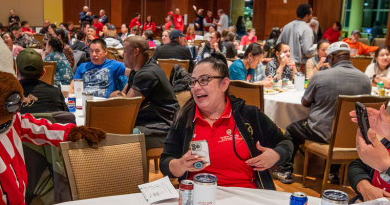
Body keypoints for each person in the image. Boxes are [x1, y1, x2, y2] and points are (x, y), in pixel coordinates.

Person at [161, 56, 293, 189]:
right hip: (198, 196)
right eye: (193, 81)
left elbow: (286, 143)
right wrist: (180, 165)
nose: (195, 87)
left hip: (245, 196)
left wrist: (276, 155)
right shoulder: (185, 119)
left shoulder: (248, 115)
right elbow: (165, 162)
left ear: (224, 84)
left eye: (204, 80)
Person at [286, 41, 370, 149]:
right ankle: (334, 166)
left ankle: (286, 166)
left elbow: (305, 103)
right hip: (351, 134)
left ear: (330, 57)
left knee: (291, 130)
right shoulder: (366, 80)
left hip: (321, 133)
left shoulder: (320, 76)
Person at [111, 35, 178, 147]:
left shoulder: (148, 74)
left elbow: (127, 108)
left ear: (136, 51)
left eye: (125, 51)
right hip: (149, 122)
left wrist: (118, 98)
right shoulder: (137, 70)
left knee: (117, 138)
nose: (123, 55)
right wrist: (119, 97)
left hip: (164, 127)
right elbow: (123, 95)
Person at [17, 48, 68, 114]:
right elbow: (67, 119)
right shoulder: (56, 94)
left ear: (16, 71)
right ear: (43, 73)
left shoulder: (7, 96)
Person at [278, 3, 315, 68]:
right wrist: (317, 48)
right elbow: (307, 51)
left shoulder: (286, 26)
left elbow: (278, 45)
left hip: (283, 64)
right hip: (297, 66)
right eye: (311, 14)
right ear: (306, 16)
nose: (311, 16)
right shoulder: (306, 29)